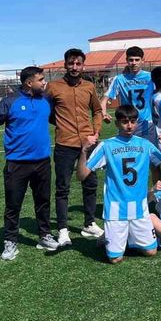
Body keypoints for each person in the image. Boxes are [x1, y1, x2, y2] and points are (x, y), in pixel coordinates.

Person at [76, 105, 161, 263]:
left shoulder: (145, 145)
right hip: (116, 209)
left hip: (140, 208)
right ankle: (111, 237)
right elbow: (81, 176)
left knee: (151, 251)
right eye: (125, 122)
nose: (129, 126)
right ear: (117, 123)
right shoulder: (107, 146)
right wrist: (84, 151)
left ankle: (123, 236)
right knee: (115, 259)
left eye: (133, 121)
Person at [0, 66, 59, 260]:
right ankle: (10, 241)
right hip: (17, 164)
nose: (44, 83)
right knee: (13, 205)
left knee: (43, 201)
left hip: (42, 162)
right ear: (29, 83)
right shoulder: (10, 101)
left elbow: (58, 119)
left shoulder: (46, 100)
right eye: (41, 80)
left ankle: (45, 235)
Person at [46, 48, 105, 246]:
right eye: (71, 63)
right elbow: (47, 113)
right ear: (65, 65)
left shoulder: (89, 86)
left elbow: (97, 110)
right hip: (65, 143)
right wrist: (63, 124)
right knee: (62, 187)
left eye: (78, 63)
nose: (74, 67)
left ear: (83, 66)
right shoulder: (53, 87)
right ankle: (63, 229)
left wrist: (96, 132)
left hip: (88, 144)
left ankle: (89, 223)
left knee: (90, 183)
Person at [101, 46, 156, 143]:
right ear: (126, 60)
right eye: (131, 60)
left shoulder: (151, 77)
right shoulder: (119, 79)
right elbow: (105, 98)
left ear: (143, 60)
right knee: (127, 151)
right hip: (127, 124)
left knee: (148, 151)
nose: (134, 63)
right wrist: (104, 113)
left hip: (147, 124)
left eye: (137, 60)